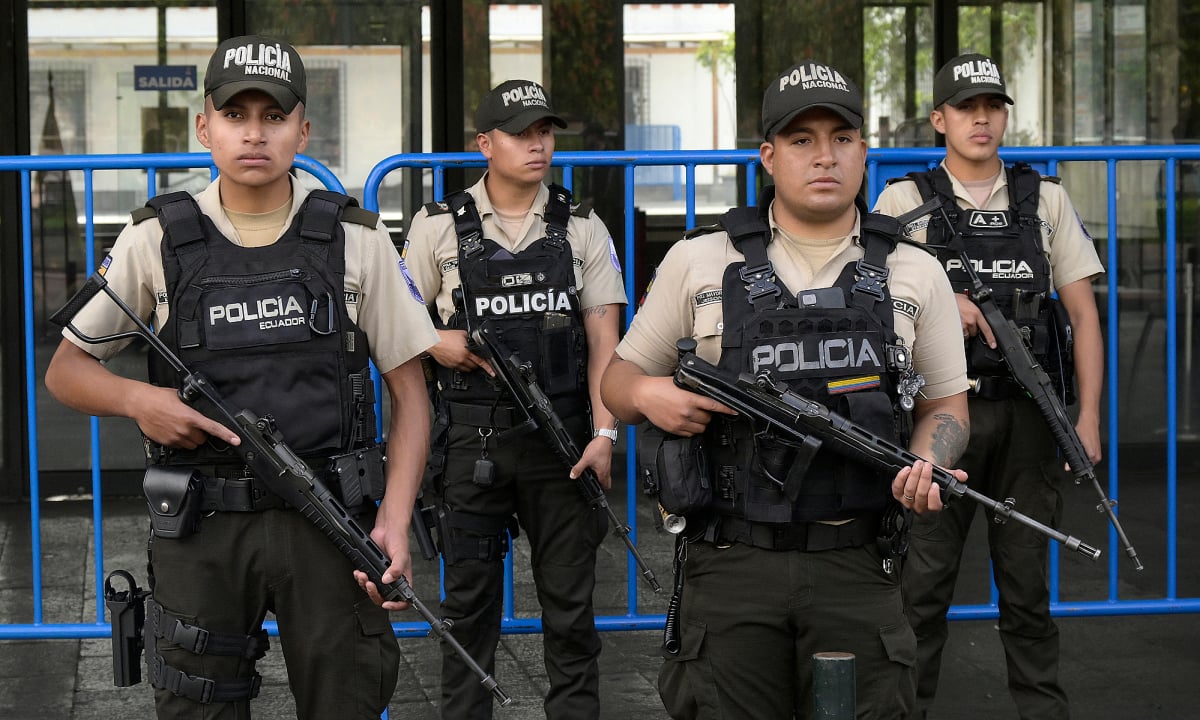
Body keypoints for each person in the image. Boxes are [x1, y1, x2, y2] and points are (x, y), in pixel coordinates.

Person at [44, 35, 439, 719]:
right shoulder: (155, 240)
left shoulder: (356, 238)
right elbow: (66, 371)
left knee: (346, 698)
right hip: (202, 527)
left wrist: (396, 521)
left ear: (302, 128)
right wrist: (142, 400)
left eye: (273, 115)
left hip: (330, 520)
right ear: (205, 126)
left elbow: (411, 394)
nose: (254, 133)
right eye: (235, 115)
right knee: (199, 703)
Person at [601, 60, 971, 719]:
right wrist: (651, 397)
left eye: (841, 138)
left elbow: (947, 407)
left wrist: (932, 458)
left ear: (865, 151)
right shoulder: (699, 260)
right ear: (769, 156)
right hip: (731, 566)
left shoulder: (916, 270)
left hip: (859, 563)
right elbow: (619, 381)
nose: (823, 156)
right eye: (801, 140)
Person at [873, 52, 1105, 720]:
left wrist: (1086, 418)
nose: (981, 119)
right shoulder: (904, 202)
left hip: (1031, 421)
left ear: (1005, 116)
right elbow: (871, 297)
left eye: (992, 107)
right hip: (940, 421)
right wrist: (945, 297)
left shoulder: (1047, 200)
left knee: (1028, 593)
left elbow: (1084, 315)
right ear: (939, 119)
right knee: (921, 591)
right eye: (967, 108)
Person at [393, 79, 627, 720]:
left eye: (545, 132)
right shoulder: (437, 227)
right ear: (484, 144)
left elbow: (605, 340)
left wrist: (605, 435)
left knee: (572, 612)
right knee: (467, 611)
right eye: (522, 133)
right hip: (471, 441)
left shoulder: (582, 227)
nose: (538, 145)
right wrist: (437, 342)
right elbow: (398, 329)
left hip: (564, 443)